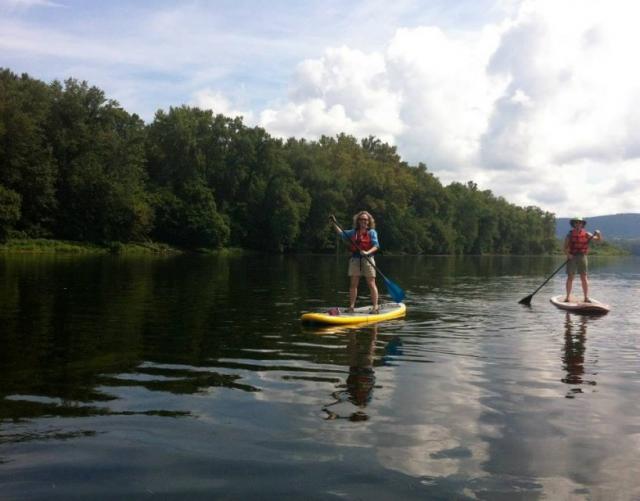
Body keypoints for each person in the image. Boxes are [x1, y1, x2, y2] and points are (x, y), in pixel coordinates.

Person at [330, 211, 380, 313]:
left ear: (368, 221)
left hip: (368, 259)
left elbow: (376, 246)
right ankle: (351, 307)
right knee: (353, 284)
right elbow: (340, 233)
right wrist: (334, 223)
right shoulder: (353, 232)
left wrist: (367, 252)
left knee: (371, 283)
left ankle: (375, 307)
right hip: (355, 259)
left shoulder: (372, 232)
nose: (364, 221)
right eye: (361, 219)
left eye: (366, 220)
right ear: (358, 221)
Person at [564, 216, 602, 303]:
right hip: (572, 257)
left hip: (582, 256)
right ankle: (567, 297)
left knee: (584, 277)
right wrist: (568, 254)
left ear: (582, 224)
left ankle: (586, 297)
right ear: (573, 224)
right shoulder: (569, 234)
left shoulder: (587, 234)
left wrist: (599, 233)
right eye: (576, 222)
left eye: (580, 223)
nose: (578, 224)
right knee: (570, 277)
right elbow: (565, 248)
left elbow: (598, 240)